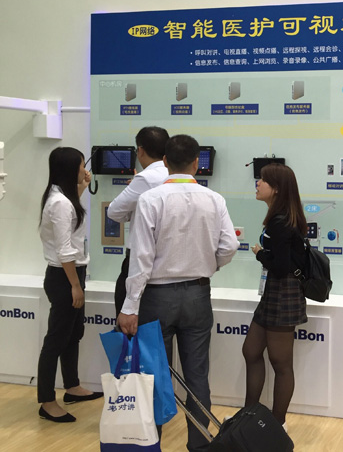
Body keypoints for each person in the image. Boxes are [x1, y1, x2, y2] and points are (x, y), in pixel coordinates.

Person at [117, 134, 238, 452]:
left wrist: (130, 305)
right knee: (197, 376)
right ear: (197, 163)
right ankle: (199, 445)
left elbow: (141, 258)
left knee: (153, 375)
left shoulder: (151, 199)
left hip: (156, 297)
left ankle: (150, 444)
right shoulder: (214, 199)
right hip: (198, 294)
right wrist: (208, 265)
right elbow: (229, 246)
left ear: (165, 162)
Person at [37, 147, 103, 423]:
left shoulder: (62, 197)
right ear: (69, 169)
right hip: (65, 276)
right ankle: (46, 401)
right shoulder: (60, 203)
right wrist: (75, 285)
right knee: (56, 339)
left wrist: (82, 187)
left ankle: (72, 386)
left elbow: (70, 220)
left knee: (73, 333)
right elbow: (64, 250)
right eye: (80, 166)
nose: (84, 169)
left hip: (71, 274)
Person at [244, 163, 308, 431]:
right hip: (275, 291)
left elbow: (281, 266)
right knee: (251, 350)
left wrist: (260, 254)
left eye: (263, 180)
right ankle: (248, 419)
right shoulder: (280, 217)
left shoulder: (281, 221)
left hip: (284, 292)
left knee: (281, 363)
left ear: (277, 189)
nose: (257, 184)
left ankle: (276, 425)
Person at [107, 126, 169, 315]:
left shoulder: (144, 178)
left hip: (139, 263)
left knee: (130, 323)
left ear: (140, 150)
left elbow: (114, 212)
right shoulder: (175, 175)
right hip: (169, 266)